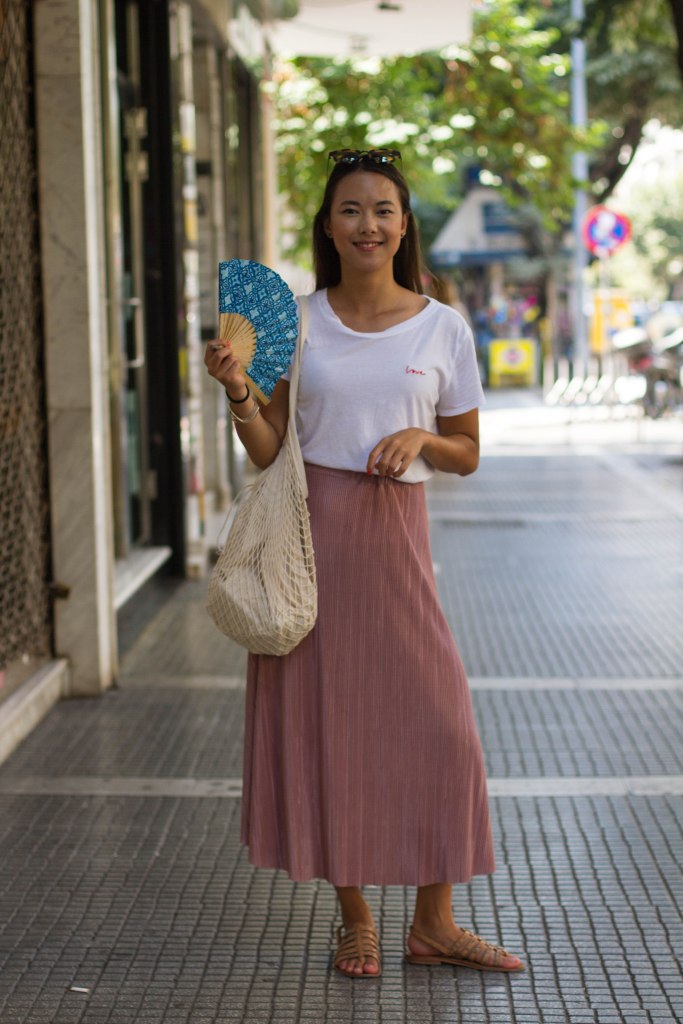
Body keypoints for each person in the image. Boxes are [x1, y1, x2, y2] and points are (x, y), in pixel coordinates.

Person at [204, 148, 525, 980]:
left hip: (397, 540)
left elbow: (466, 451)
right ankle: (356, 921)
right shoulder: (300, 321)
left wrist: (422, 439)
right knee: (328, 730)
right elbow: (270, 447)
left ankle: (433, 923)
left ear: (404, 224)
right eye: (350, 209)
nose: (367, 225)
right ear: (327, 226)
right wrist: (238, 392)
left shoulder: (442, 326)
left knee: (443, 729)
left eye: (382, 210)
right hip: (310, 540)